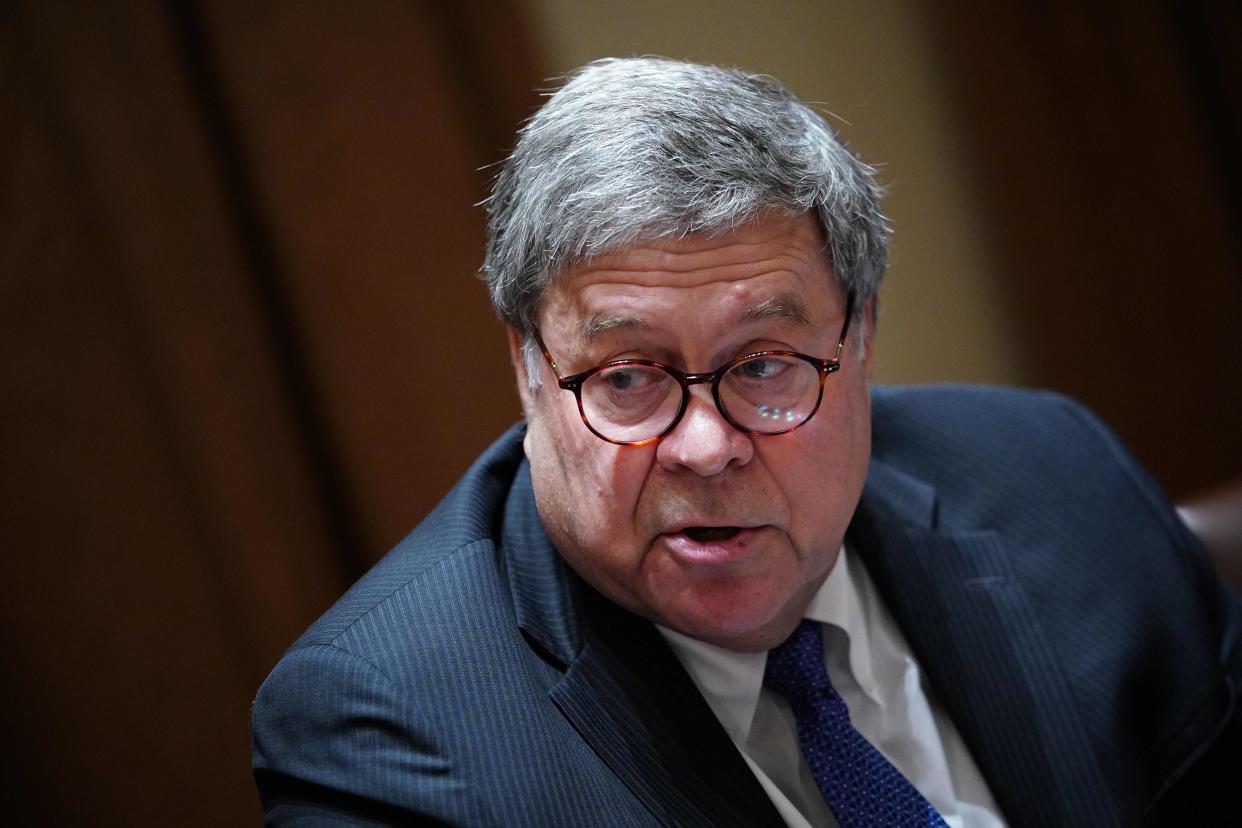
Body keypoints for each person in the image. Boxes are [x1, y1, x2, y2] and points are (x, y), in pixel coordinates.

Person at [251, 57, 1240, 827]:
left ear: (856, 336)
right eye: (628, 378)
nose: (704, 446)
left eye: (764, 365)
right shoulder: (392, 732)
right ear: (527, 369)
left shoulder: (1055, 477)